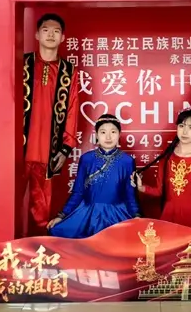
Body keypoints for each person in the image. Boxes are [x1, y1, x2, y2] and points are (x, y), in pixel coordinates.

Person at [23, 13, 80, 236]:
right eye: (45, 30)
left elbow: (72, 109)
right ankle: (9, 248)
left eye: (56, 31)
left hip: (49, 149)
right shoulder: (22, 63)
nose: (50, 35)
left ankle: (38, 247)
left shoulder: (68, 71)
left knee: (42, 206)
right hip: (18, 149)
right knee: (9, 199)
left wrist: (65, 148)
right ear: (37, 34)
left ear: (63, 37)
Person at [47, 114, 141, 238]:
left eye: (113, 132)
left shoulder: (127, 161)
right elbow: (78, 192)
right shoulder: (86, 159)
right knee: (57, 230)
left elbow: (130, 194)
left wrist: (136, 216)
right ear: (96, 135)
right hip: (88, 214)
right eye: (103, 132)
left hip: (116, 215)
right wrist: (62, 216)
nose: (108, 137)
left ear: (119, 134)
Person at [132, 109, 191, 232]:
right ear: (177, 128)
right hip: (171, 216)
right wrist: (141, 187)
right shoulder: (166, 157)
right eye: (181, 126)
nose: (185, 132)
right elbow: (159, 191)